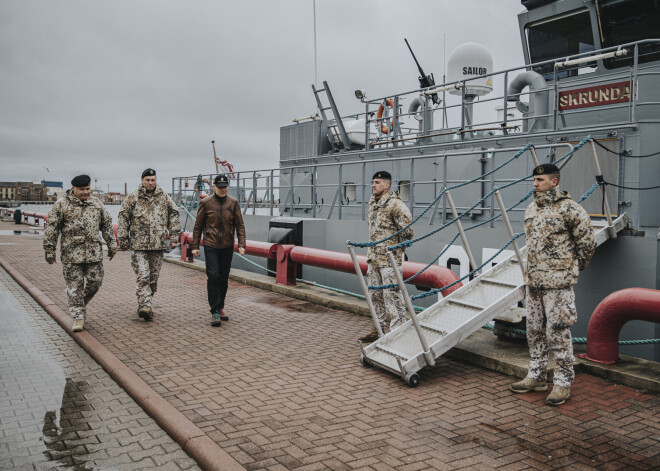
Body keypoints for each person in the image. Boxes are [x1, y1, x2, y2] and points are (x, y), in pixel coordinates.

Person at [510, 163, 596, 406]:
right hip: (534, 281)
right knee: (534, 330)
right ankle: (536, 376)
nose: (535, 184)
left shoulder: (570, 209)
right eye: (534, 180)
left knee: (558, 331)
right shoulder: (531, 209)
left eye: (540, 180)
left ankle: (562, 382)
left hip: (558, 283)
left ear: (554, 182)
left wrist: (572, 268)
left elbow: (587, 242)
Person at [43, 174, 117, 332]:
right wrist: (49, 250)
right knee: (74, 287)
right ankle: (78, 317)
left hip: (94, 253)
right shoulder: (61, 205)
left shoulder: (96, 203)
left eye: (88, 189)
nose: (85, 192)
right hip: (71, 255)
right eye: (82, 189)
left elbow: (107, 224)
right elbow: (51, 228)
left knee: (95, 282)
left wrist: (112, 244)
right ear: (73, 189)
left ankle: (79, 304)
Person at [118, 168, 180, 321]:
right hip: (139, 245)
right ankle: (145, 305)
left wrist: (174, 236)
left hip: (158, 245)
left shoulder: (164, 198)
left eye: (153, 180)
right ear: (142, 181)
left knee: (153, 279)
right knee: (143, 275)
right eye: (147, 180)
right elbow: (123, 217)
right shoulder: (133, 197)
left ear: (156, 180)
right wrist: (123, 239)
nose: (150, 183)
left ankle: (146, 302)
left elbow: (174, 214)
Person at [360, 171, 414, 343]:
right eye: (373, 182)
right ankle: (378, 329)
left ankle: (399, 333)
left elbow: (408, 232)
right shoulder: (373, 203)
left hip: (389, 260)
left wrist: (398, 250)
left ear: (387, 185)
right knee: (375, 295)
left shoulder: (396, 205)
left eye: (377, 182)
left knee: (392, 296)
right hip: (374, 259)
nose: (373, 185)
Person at [191, 174, 246, 327]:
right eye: (220, 187)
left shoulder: (233, 203)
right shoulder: (206, 203)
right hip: (211, 245)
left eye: (225, 187)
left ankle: (220, 306)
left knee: (223, 278)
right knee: (213, 276)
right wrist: (195, 246)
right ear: (214, 187)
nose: (223, 190)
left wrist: (242, 244)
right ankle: (215, 311)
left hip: (227, 245)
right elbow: (198, 226)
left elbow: (240, 225)